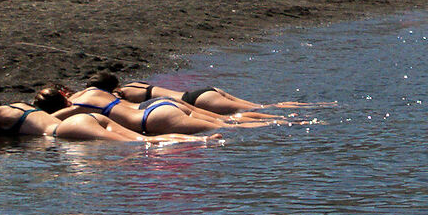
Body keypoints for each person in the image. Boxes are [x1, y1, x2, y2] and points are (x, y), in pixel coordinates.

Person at [0, 89, 165, 142]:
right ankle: (192, 143)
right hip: (86, 121)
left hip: (68, 128)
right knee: (148, 140)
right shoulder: (20, 105)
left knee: (142, 144)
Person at [65, 86, 272, 135]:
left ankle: (275, 123)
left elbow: (51, 121)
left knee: (225, 127)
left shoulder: (78, 107)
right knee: (229, 120)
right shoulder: (93, 91)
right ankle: (278, 120)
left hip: (152, 116)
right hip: (165, 103)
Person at [81, 73, 288, 116]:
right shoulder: (134, 84)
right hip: (205, 92)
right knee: (261, 106)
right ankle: (300, 106)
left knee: (256, 112)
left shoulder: (123, 95)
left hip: (198, 101)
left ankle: (294, 117)